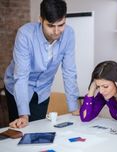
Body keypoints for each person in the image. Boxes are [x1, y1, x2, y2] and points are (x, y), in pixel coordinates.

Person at [4, 0, 79, 128]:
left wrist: (74, 107)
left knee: (38, 129)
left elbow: (69, 71)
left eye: (61, 25)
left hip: (42, 90)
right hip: (18, 87)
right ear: (41, 20)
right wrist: (23, 115)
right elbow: (21, 76)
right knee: (21, 129)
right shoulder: (25, 34)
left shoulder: (69, 34)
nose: (56, 31)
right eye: (50, 25)